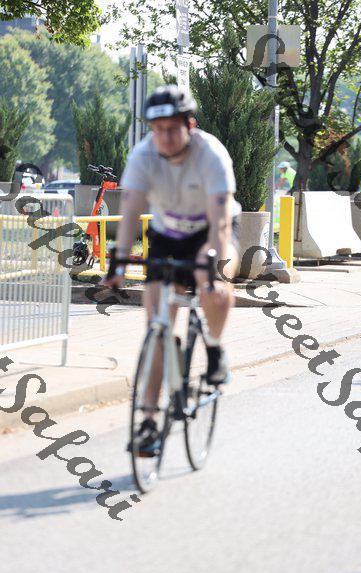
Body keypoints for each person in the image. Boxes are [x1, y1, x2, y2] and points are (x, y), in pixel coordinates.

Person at [104, 84, 241, 455]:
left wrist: (214, 267)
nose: (164, 137)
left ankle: (215, 348)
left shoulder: (210, 154)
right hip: (167, 235)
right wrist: (118, 260)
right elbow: (130, 210)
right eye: (157, 129)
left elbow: (220, 223)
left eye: (172, 129)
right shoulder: (144, 154)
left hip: (210, 231)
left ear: (189, 125)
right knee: (157, 328)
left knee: (211, 284)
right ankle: (149, 422)